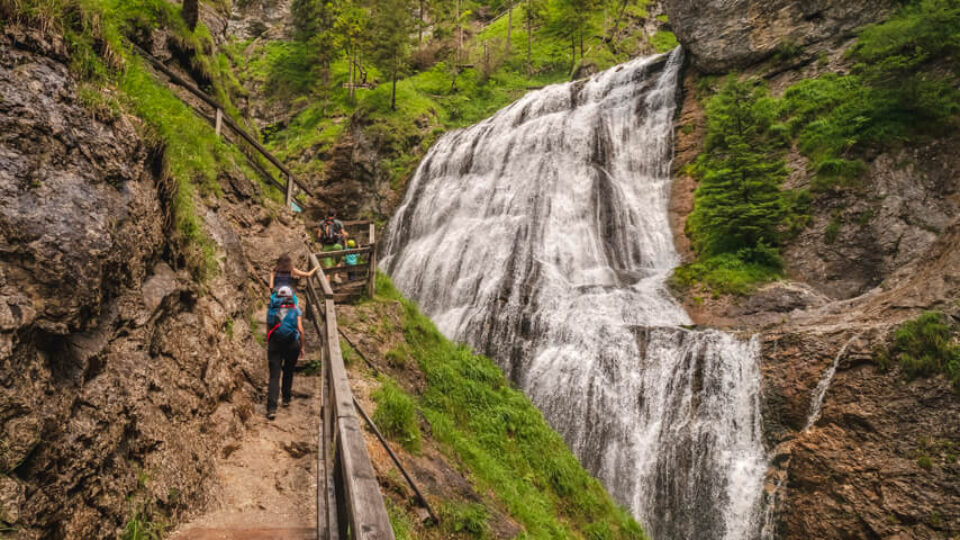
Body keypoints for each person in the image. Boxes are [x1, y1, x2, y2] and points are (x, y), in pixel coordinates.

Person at [265, 286, 303, 420]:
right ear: (290, 296)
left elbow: (268, 328)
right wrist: (302, 347)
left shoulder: (271, 309)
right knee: (288, 371)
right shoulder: (296, 309)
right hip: (292, 344)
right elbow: (300, 329)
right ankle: (286, 399)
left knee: (274, 376)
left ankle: (271, 409)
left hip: (275, 344)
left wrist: (268, 343)